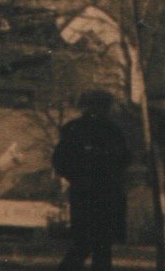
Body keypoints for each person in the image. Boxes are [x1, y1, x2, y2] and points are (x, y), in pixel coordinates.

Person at [52, 89, 130, 271]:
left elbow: (60, 161)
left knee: (86, 243)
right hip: (102, 192)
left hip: (85, 192)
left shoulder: (74, 128)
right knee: (98, 246)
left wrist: (76, 177)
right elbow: (124, 159)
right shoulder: (111, 130)